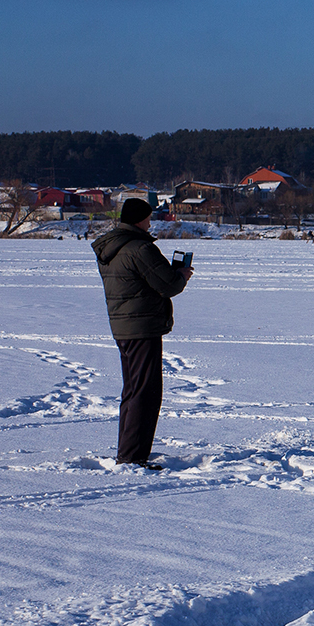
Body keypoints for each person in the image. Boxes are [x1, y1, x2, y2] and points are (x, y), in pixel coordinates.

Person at [93, 198, 192, 468]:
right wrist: (181, 275)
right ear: (140, 219)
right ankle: (132, 457)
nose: (151, 222)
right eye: (149, 218)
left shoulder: (111, 247)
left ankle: (129, 452)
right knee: (145, 393)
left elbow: (141, 281)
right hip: (142, 327)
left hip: (123, 326)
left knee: (134, 390)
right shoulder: (139, 248)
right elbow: (168, 285)